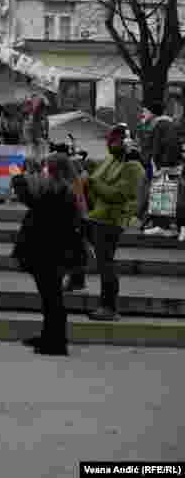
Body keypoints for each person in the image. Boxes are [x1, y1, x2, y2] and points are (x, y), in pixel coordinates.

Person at [63, 124, 145, 321]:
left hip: (111, 220)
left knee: (105, 263)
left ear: (126, 143)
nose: (110, 144)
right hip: (96, 215)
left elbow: (116, 195)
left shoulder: (133, 167)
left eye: (115, 141)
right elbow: (96, 180)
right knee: (75, 237)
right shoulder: (110, 159)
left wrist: (90, 181)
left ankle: (109, 307)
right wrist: (85, 168)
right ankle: (77, 278)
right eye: (109, 140)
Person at [11, 153, 86, 356]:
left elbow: (34, 203)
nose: (44, 171)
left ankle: (56, 342)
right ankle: (48, 336)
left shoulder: (61, 190)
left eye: (46, 167)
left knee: (52, 299)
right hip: (50, 251)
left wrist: (18, 179)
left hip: (51, 253)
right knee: (49, 298)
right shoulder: (62, 189)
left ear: (55, 171)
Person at [140, 102, 181, 237]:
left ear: (152, 113)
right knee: (161, 194)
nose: (142, 114)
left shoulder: (162, 125)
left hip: (164, 168)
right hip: (163, 166)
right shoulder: (162, 124)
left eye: (144, 111)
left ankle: (164, 227)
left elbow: (169, 145)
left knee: (163, 194)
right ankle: (161, 225)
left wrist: (164, 166)